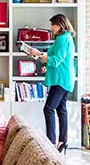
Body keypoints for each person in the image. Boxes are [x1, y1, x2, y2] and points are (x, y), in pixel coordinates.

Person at [27, 14, 77, 151]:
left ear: (60, 24)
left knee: (48, 108)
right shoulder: (66, 38)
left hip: (60, 80)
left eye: (53, 24)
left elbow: (56, 60)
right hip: (65, 78)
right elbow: (56, 60)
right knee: (61, 109)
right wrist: (42, 60)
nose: (51, 27)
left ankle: (51, 143)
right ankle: (62, 141)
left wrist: (38, 53)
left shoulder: (62, 39)